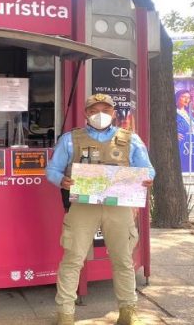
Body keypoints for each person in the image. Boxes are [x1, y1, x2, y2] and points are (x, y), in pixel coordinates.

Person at [46, 94, 155, 325]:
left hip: (119, 206)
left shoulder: (130, 140)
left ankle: (128, 311)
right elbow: (52, 170)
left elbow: (147, 169)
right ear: (86, 113)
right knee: (73, 259)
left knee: (123, 260)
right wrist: (61, 180)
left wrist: (147, 179)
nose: (100, 114)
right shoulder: (70, 139)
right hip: (83, 206)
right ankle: (65, 314)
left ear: (114, 113)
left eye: (106, 109)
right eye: (94, 109)